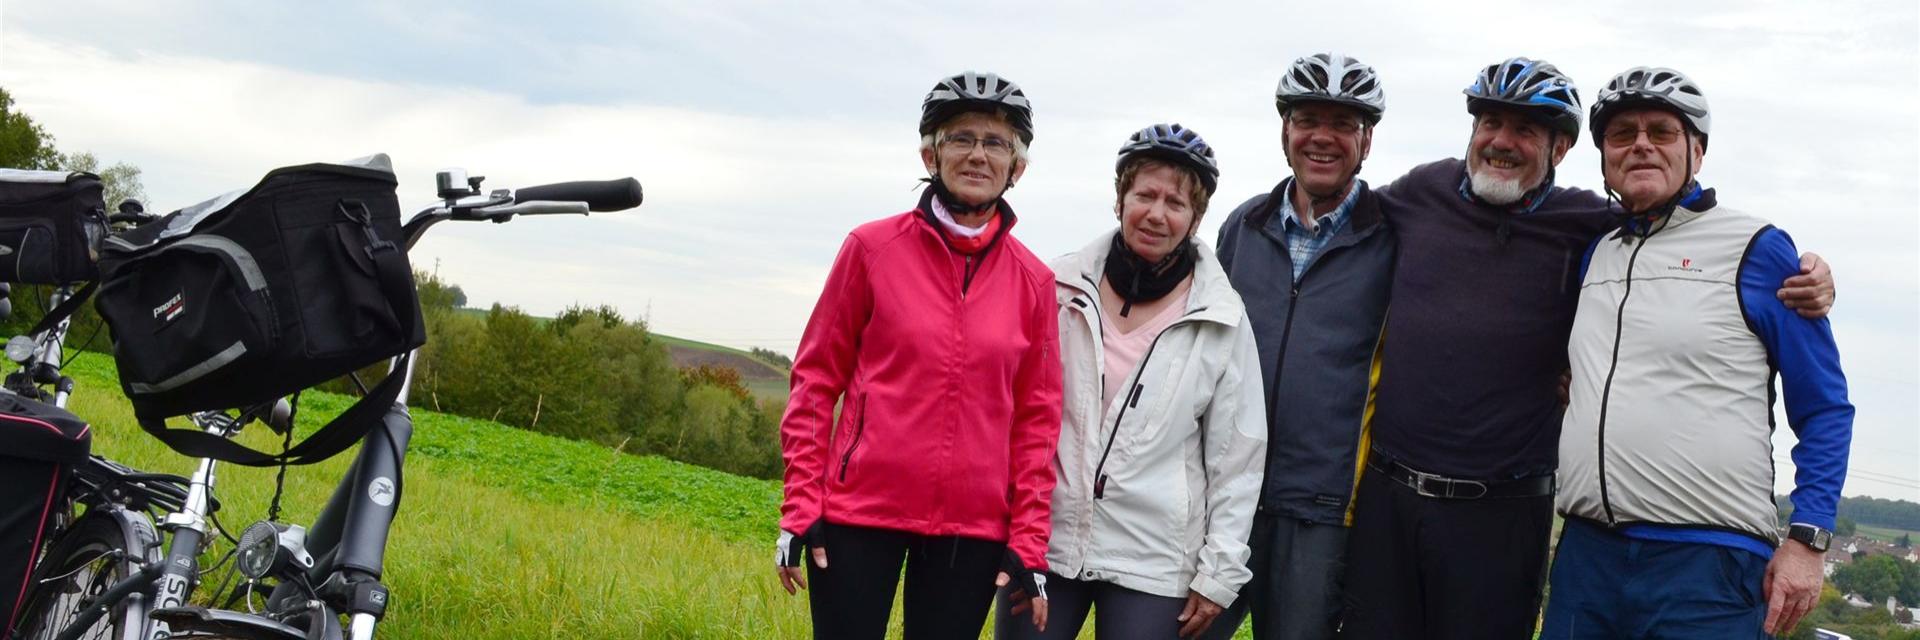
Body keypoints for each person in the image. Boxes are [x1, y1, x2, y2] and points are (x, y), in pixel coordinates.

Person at [1339, 57, 1837, 640]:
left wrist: (1809, 537)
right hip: (1535, 539)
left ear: (1562, 148)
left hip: (1654, 547)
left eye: (1525, 129)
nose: (1502, 141)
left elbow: (1822, 402)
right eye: (1490, 123)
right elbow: (1338, 213)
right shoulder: (1444, 197)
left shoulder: (1654, 237)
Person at [1543, 67, 1853, 639]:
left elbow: (1825, 406)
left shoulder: (1757, 249)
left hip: (1708, 565)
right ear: (1605, 157)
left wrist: (1808, 539)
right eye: (1622, 134)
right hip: (1588, 557)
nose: (1640, 144)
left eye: (1661, 131)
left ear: (1698, 152)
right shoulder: (1596, 253)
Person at [774, 70, 1063, 640]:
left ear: (1017, 167)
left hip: (971, 532)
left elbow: (1038, 422)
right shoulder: (870, 249)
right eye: (961, 138)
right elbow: (815, 381)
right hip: (859, 513)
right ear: (931, 155)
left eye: (996, 142)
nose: (977, 154)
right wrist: (801, 503)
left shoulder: (1035, 282)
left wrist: (1029, 538)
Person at [995, 123, 1267, 640]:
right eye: (1145, 195)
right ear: (1120, 199)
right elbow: (1011, 411)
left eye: (1176, 203)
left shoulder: (1222, 316)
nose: (1157, 214)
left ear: (1196, 218)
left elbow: (1238, 458)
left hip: (1154, 557)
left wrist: (1219, 571)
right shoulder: (1057, 287)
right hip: (1047, 538)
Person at [1203, 52, 1394, 640]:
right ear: (1285, 131)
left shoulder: (1392, 237)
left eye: (1343, 124)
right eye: (1308, 119)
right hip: (1223, 495)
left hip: (1323, 507)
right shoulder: (1242, 226)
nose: (1322, 137)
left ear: (1366, 141)